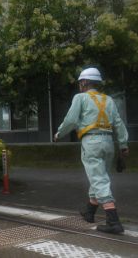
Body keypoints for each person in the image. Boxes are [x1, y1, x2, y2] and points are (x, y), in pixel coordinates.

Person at [54, 67, 129, 234]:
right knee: (100, 176)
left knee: (99, 179)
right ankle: (89, 213)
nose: (79, 85)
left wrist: (59, 133)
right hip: (108, 142)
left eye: (81, 82)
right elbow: (119, 123)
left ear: (85, 82)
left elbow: (71, 120)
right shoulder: (108, 100)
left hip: (92, 141)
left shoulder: (80, 98)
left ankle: (113, 221)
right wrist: (123, 145)